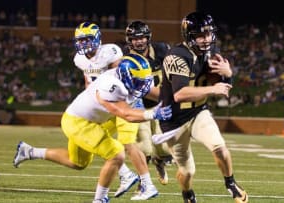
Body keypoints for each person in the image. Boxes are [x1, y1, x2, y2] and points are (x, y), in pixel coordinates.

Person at [13, 53, 172, 203]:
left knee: (77, 162)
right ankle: (100, 199)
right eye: (138, 81)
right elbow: (124, 114)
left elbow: (151, 92)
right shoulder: (111, 85)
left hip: (96, 121)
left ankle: (29, 151)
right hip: (78, 122)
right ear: (126, 76)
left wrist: (175, 102)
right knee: (116, 154)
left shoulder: (127, 79)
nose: (142, 85)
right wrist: (153, 114)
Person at [158, 12, 248, 203]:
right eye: (200, 35)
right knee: (187, 171)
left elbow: (224, 89)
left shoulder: (210, 53)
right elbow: (180, 94)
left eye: (208, 34)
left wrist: (228, 74)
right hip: (173, 120)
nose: (206, 39)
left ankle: (230, 183)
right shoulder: (176, 56)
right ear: (189, 36)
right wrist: (213, 88)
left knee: (219, 147)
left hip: (198, 112)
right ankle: (187, 193)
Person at [73, 22, 159, 200]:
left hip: (122, 101)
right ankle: (127, 175)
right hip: (106, 104)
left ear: (97, 38)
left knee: (128, 143)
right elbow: (88, 80)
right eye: (80, 40)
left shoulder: (111, 51)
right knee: (99, 139)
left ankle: (147, 184)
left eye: (87, 39)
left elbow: (123, 78)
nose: (83, 44)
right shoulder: (79, 59)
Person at [123, 20, 173, 186]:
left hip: (160, 105)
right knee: (144, 148)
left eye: (142, 37)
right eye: (135, 38)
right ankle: (144, 183)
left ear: (148, 37)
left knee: (164, 149)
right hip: (138, 107)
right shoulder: (123, 57)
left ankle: (159, 161)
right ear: (129, 40)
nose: (139, 41)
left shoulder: (162, 50)